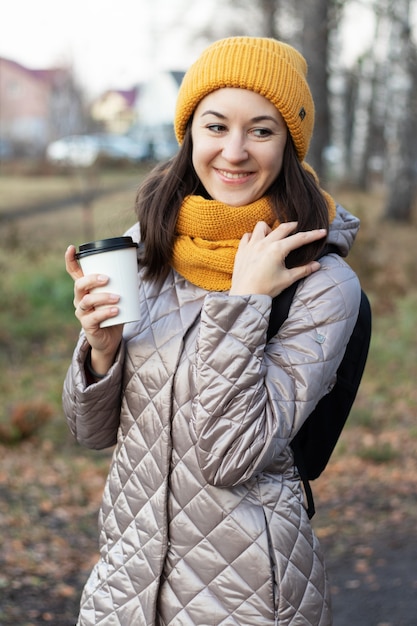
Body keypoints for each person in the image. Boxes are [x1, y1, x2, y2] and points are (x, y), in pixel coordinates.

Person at [63, 36, 361, 625]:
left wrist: (246, 300)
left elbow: (230, 456)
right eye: (216, 126)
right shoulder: (147, 245)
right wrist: (101, 352)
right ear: (190, 134)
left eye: (261, 130)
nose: (234, 152)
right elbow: (92, 431)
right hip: (124, 591)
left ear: (290, 142)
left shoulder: (321, 282)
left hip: (247, 599)